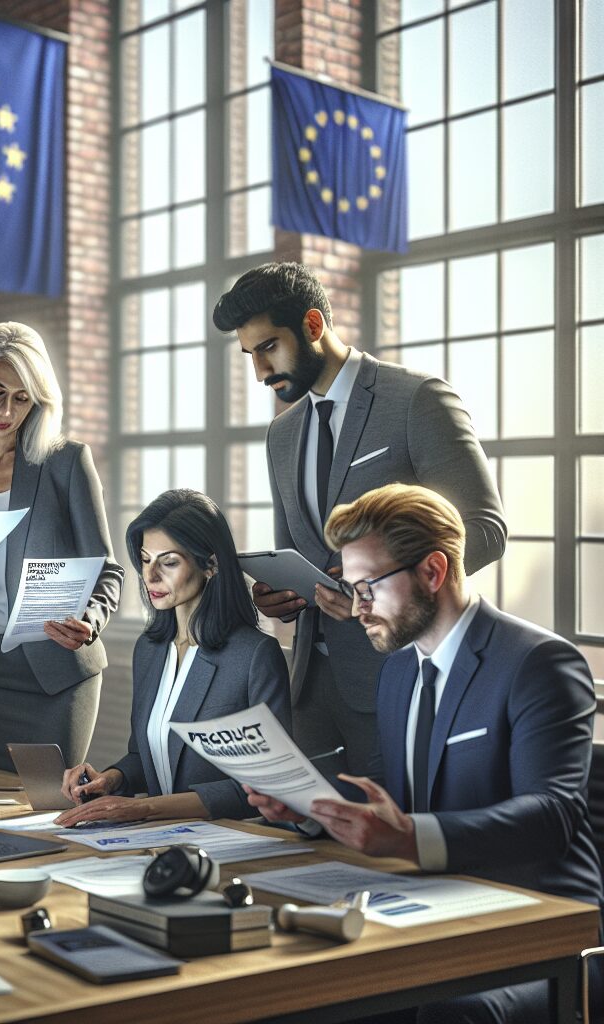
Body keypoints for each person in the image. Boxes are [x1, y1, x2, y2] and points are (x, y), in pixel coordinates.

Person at [246, 483, 602, 1024]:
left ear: (433, 572)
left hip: (537, 923)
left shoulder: (538, 663)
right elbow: (383, 784)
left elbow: (552, 814)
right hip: (432, 901)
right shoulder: (397, 671)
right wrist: (309, 805)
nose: (356, 608)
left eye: (368, 587)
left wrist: (411, 837)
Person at [212, 262, 506, 777]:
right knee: (311, 842)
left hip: (404, 673)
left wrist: (374, 586)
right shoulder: (281, 436)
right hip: (309, 689)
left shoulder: (417, 400)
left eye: (268, 348)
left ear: (312, 326)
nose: (260, 371)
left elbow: (483, 529)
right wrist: (281, 595)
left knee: (393, 846)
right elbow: (301, 558)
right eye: (249, 354)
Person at [0, 322, 123, 771]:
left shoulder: (65, 462)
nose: (6, 410)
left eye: (22, 398)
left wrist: (89, 621)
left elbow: (109, 571)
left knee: (48, 808)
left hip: (56, 671)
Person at [56, 489, 291, 826]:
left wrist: (143, 809)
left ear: (210, 564)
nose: (150, 576)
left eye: (168, 561)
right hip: (160, 839)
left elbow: (265, 788)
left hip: (229, 840)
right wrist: (111, 778)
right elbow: (144, 755)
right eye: (145, 559)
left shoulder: (254, 656)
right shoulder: (150, 650)